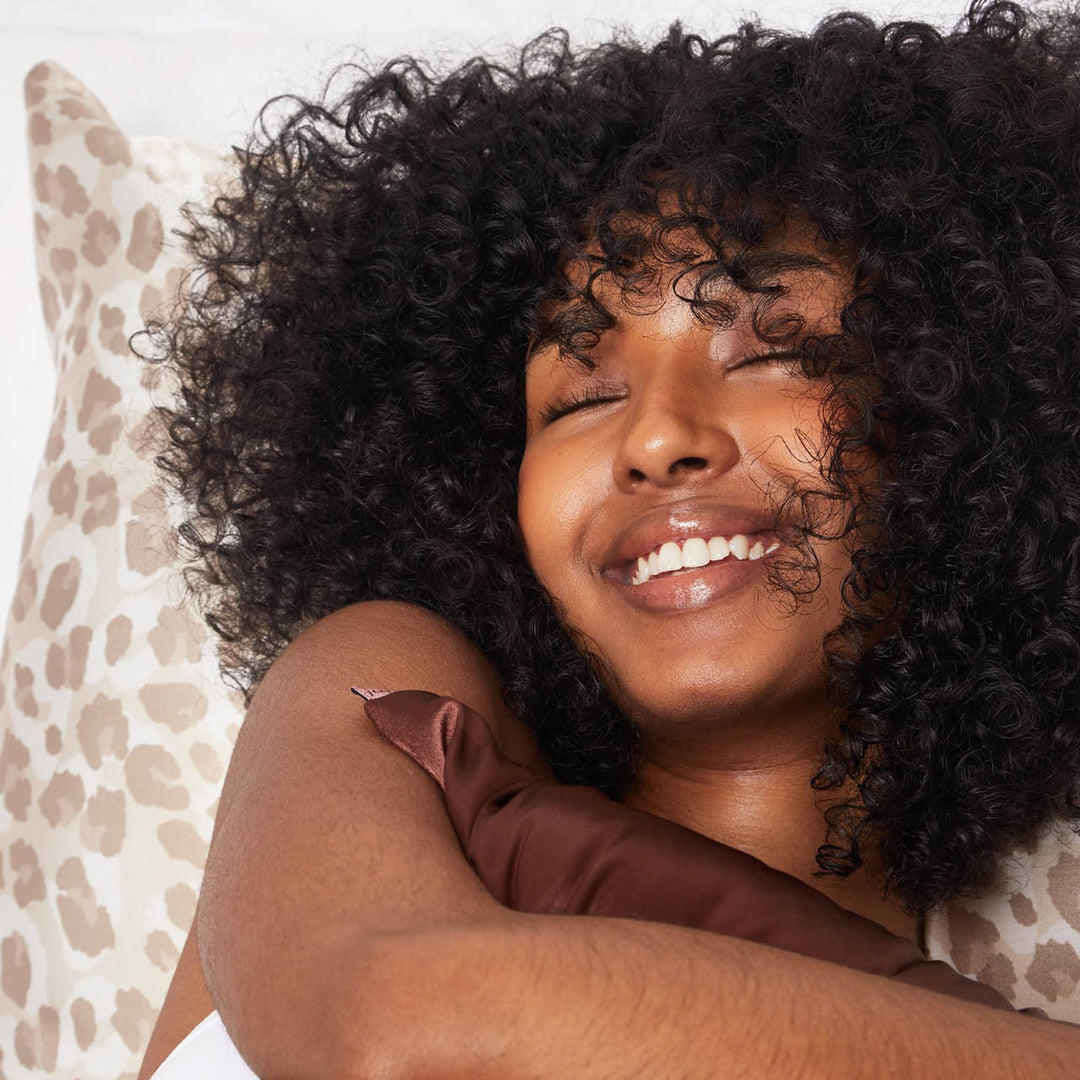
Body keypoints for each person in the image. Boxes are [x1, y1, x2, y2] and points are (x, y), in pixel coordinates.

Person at [136, 0, 1080, 1074]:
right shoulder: (391, 701)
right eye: (580, 396)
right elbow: (405, 1027)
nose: (659, 438)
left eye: (774, 350)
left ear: (969, 420)